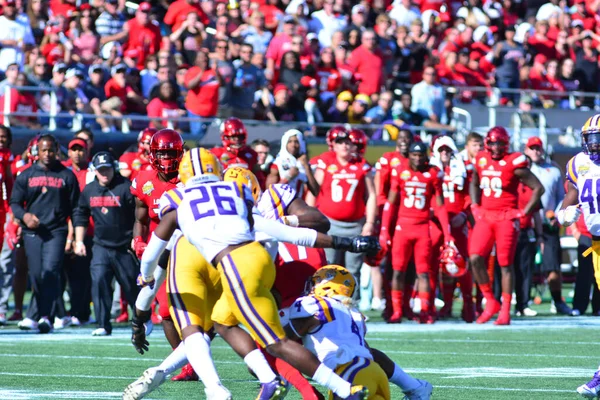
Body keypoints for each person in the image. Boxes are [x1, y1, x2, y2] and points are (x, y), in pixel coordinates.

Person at [136, 147, 376, 400]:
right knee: (222, 321)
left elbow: (153, 252)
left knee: (276, 343)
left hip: (234, 265)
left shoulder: (179, 205)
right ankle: (269, 380)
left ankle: (343, 389)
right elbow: (286, 232)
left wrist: (146, 276)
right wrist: (345, 242)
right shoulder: (235, 193)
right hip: (260, 259)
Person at [129, 128, 194, 381]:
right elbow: (141, 219)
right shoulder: (143, 180)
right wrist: (138, 240)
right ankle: (189, 365)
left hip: (191, 249)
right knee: (166, 311)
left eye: (171, 153)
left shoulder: (190, 178)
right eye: (162, 153)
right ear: (152, 154)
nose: (167, 159)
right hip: (159, 252)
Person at [469, 127, 544, 326]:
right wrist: (474, 205)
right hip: (486, 216)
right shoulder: (481, 158)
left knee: (505, 264)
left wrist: (524, 212)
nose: (495, 147)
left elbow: (538, 188)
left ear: (506, 144)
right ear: (487, 143)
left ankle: (505, 309)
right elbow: (475, 182)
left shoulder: (514, 162)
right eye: (492, 143)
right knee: (475, 257)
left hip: (506, 218)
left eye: (500, 143)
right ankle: (490, 301)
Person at [286, 265, 391, 400]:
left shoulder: (313, 305)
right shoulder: (354, 312)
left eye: (315, 283)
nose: (311, 287)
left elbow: (282, 341)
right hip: (375, 370)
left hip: (349, 374)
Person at [10, 135, 79, 333]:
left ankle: (45, 317)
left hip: (56, 232)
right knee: (38, 275)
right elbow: (14, 203)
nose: (47, 154)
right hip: (32, 232)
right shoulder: (26, 175)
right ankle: (42, 314)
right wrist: (25, 216)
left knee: (51, 271)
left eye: (51, 150)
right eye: (43, 150)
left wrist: (74, 237)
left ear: (57, 151)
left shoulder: (67, 176)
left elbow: (76, 208)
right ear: (36, 152)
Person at [379, 141, 453, 324]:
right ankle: (396, 310)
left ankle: (426, 310)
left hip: (422, 228)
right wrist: (384, 230)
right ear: (409, 155)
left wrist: (447, 233)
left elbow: (440, 206)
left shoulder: (433, 174)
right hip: (402, 227)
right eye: (414, 155)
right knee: (398, 270)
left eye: (421, 155)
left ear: (426, 156)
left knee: (423, 272)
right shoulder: (400, 171)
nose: (417, 159)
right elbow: (391, 203)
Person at [73, 151, 138, 336]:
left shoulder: (125, 188)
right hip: (100, 245)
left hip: (124, 246)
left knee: (132, 285)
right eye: (101, 170)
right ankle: (102, 323)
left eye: (107, 169)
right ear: (95, 171)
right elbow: (80, 214)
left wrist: (136, 238)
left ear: (114, 169)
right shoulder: (89, 190)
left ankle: (141, 320)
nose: (104, 173)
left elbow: (138, 216)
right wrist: (78, 240)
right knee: (99, 280)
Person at [311, 129, 377, 299]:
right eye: (340, 142)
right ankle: (326, 306)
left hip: (355, 225)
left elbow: (371, 195)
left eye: (348, 142)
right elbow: (314, 190)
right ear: (333, 144)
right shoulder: (325, 161)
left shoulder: (362, 165)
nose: (344, 146)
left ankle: (351, 308)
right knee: (328, 267)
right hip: (329, 224)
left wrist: (369, 223)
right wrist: (309, 218)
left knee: (353, 269)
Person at [562, 115, 600, 398]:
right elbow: (571, 194)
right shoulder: (578, 163)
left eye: (599, 138)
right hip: (596, 246)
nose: (595, 144)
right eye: (591, 138)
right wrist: (563, 211)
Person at [524, 136, 573, 315]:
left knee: (553, 266)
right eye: (532, 148)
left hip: (547, 223)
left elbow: (562, 196)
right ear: (526, 150)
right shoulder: (522, 168)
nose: (535, 151)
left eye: (538, 148)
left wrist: (558, 214)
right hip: (527, 222)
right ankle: (523, 302)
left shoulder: (553, 169)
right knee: (525, 264)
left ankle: (557, 300)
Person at [266, 129, 318, 197]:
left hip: (299, 205)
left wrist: (307, 167)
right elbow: (270, 193)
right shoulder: (277, 164)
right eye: (290, 142)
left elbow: (316, 191)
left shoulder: (303, 163)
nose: (293, 145)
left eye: (296, 142)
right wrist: (288, 177)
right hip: (282, 205)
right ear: (285, 143)